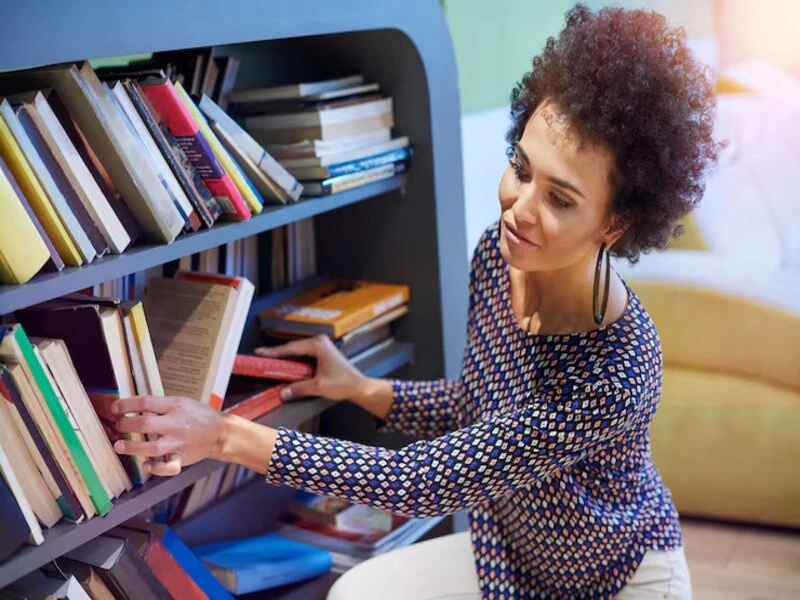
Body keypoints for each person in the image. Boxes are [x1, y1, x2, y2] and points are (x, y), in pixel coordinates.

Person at [111, 4, 721, 598]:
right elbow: (483, 405)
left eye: (560, 200)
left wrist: (223, 436)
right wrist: (359, 388)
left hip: (618, 579)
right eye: (521, 168)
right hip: (511, 559)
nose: (519, 207)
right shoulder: (498, 256)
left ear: (615, 224)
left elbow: (421, 480)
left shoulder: (616, 371)